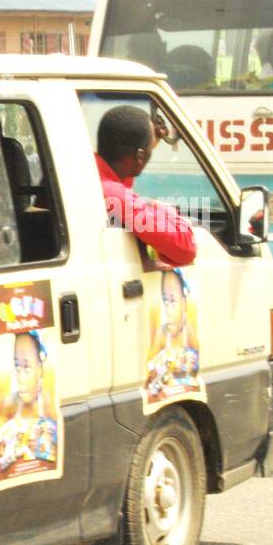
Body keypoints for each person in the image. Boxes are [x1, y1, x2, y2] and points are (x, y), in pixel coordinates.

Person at [95, 104, 196, 268]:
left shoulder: (92, 176)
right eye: (150, 150)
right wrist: (163, 208)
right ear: (140, 157)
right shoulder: (116, 195)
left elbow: (123, 178)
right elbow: (185, 248)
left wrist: (143, 150)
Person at [0, 331, 58, 476]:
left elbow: (57, 442)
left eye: (27, 367)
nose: (20, 378)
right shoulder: (10, 403)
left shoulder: (46, 402)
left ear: (40, 369)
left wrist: (49, 445)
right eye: (17, 366)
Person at [146, 268, 200, 399]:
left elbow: (197, 365)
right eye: (165, 301)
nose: (168, 311)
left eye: (173, 301)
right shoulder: (162, 333)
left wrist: (186, 366)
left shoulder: (189, 334)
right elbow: (150, 370)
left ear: (184, 303)